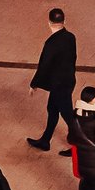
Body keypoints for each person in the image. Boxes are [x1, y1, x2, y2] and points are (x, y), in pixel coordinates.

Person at [26, 9, 77, 152]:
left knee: (67, 114)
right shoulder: (70, 37)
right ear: (64, 21)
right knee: (52, 109)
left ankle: (79, 146)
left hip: (58, 84)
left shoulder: (51, 43)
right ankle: (45, 140)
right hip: (68, 80)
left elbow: (44, 65)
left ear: (49, 23)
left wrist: (34, 83)